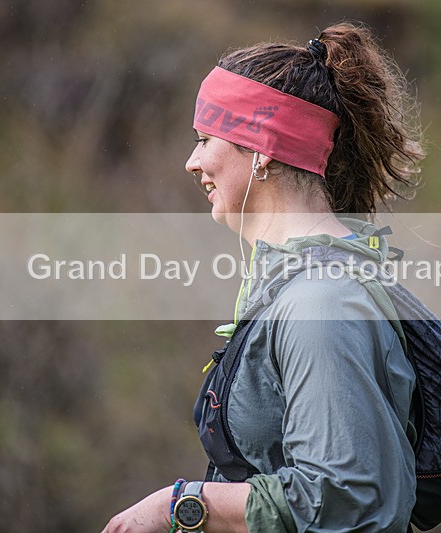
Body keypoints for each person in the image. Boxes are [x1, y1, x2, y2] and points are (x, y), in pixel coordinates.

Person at [103, 21, 424, 533]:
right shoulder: (296, 286)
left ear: (262, 147)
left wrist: (182, 506)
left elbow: (347, 498)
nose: (192, 162)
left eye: (206, 139)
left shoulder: (321, 303)